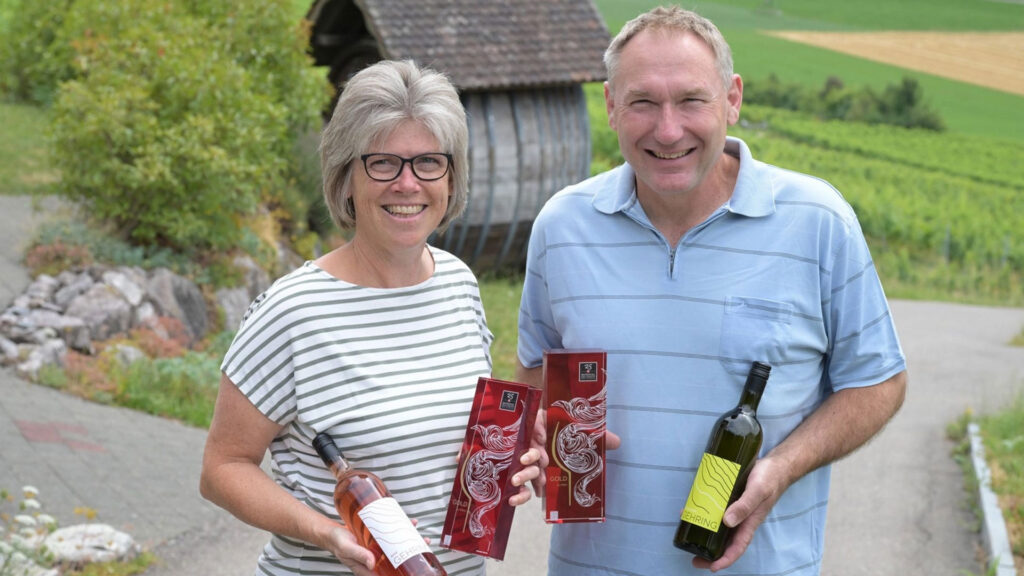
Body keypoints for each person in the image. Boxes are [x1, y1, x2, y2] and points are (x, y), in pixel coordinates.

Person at [516, 6, 907, 576]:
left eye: (691, 100)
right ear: (609, 106)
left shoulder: (818, 220)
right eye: (643, 102)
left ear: (732, 99)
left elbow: (878, 381)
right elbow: (535, 374)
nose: (667, 130)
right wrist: (544, 426)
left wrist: (783, 466)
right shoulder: (562, 225)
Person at [200, 59, 543, 576]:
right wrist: (331, 533)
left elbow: (452, 435)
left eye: (429, 162)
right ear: (346, 178)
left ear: (451, 178)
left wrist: (509, 457)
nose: (407, 184)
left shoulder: (458, 283)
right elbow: (222, 469)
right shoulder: (292, 311)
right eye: (383, 163)